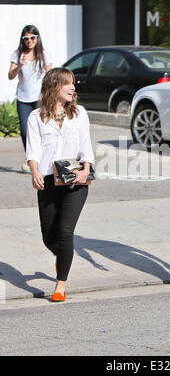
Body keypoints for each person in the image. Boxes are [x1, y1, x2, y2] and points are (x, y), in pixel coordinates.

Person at [26, 67, 95, 302]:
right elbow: (33, 150)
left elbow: (86, 145)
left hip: (75, 180)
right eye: (68, 83)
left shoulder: (79, 113)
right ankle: (64, 258)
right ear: (54, 86)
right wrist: (34, 171)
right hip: (48, 181)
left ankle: (60, 286)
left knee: (65, 233)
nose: (73, 87)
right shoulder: (36, 117)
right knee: (49, 237)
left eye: (74, 83)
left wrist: (86, 170)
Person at [8, 24, 52, 172]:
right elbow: (10, 76)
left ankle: (44, 159)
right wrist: (19, 66)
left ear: (37, 38)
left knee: (42, 129)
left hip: (40, 98)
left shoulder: (44, 54)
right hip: (23, 98)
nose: (29, 41)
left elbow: (51, 76)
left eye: (32, 38)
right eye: (26, 38)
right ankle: (31, 160)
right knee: (25, 130)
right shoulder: (17, 54)